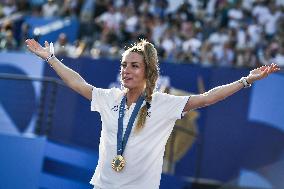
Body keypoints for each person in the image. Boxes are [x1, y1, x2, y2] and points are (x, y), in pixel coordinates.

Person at [25, 38, 280, 189]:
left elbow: (206, 98)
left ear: (147, 72)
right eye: (124, 65)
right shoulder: (109, 97)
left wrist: (246, 80)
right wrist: (51, 59)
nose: (126, 70)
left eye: (134, 66)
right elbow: (78, 83)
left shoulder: (162, 103)